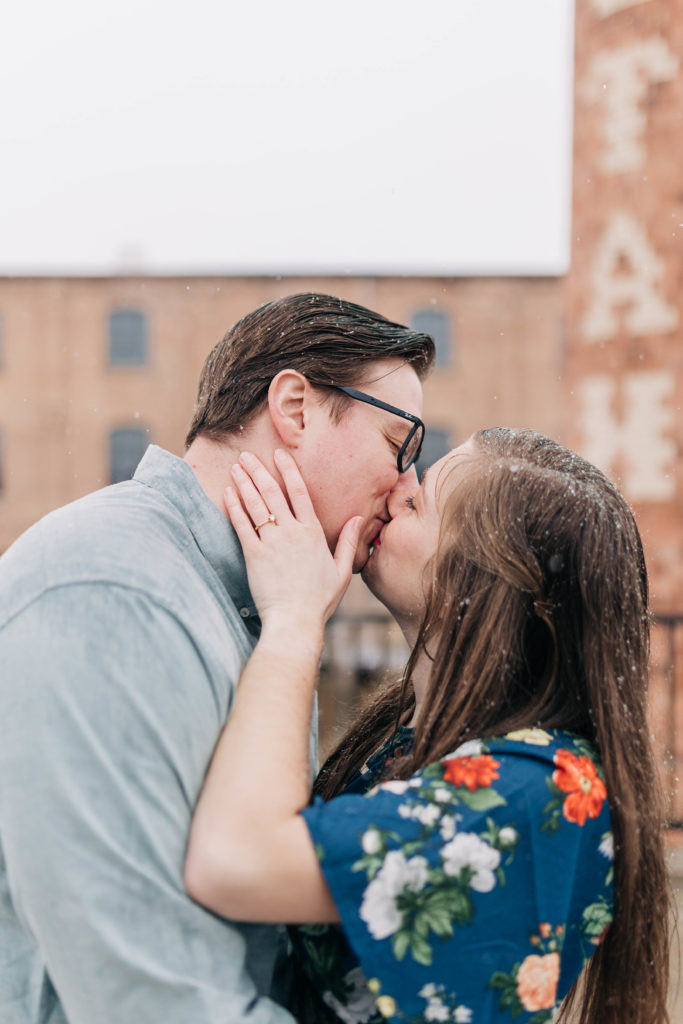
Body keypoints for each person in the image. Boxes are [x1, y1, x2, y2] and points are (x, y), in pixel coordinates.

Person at [0, 293, 434, 1024]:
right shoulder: (110, 584)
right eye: (402, 445)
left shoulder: (247, 605)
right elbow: (148, 994)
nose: (404, 490)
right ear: (293, 407)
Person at [185, 428, 673, 1024]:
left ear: (489, 583)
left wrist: (292, 621)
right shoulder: (418, 736)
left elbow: (235, 863)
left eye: (420, 502)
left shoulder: (542, 792)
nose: (397, 489)